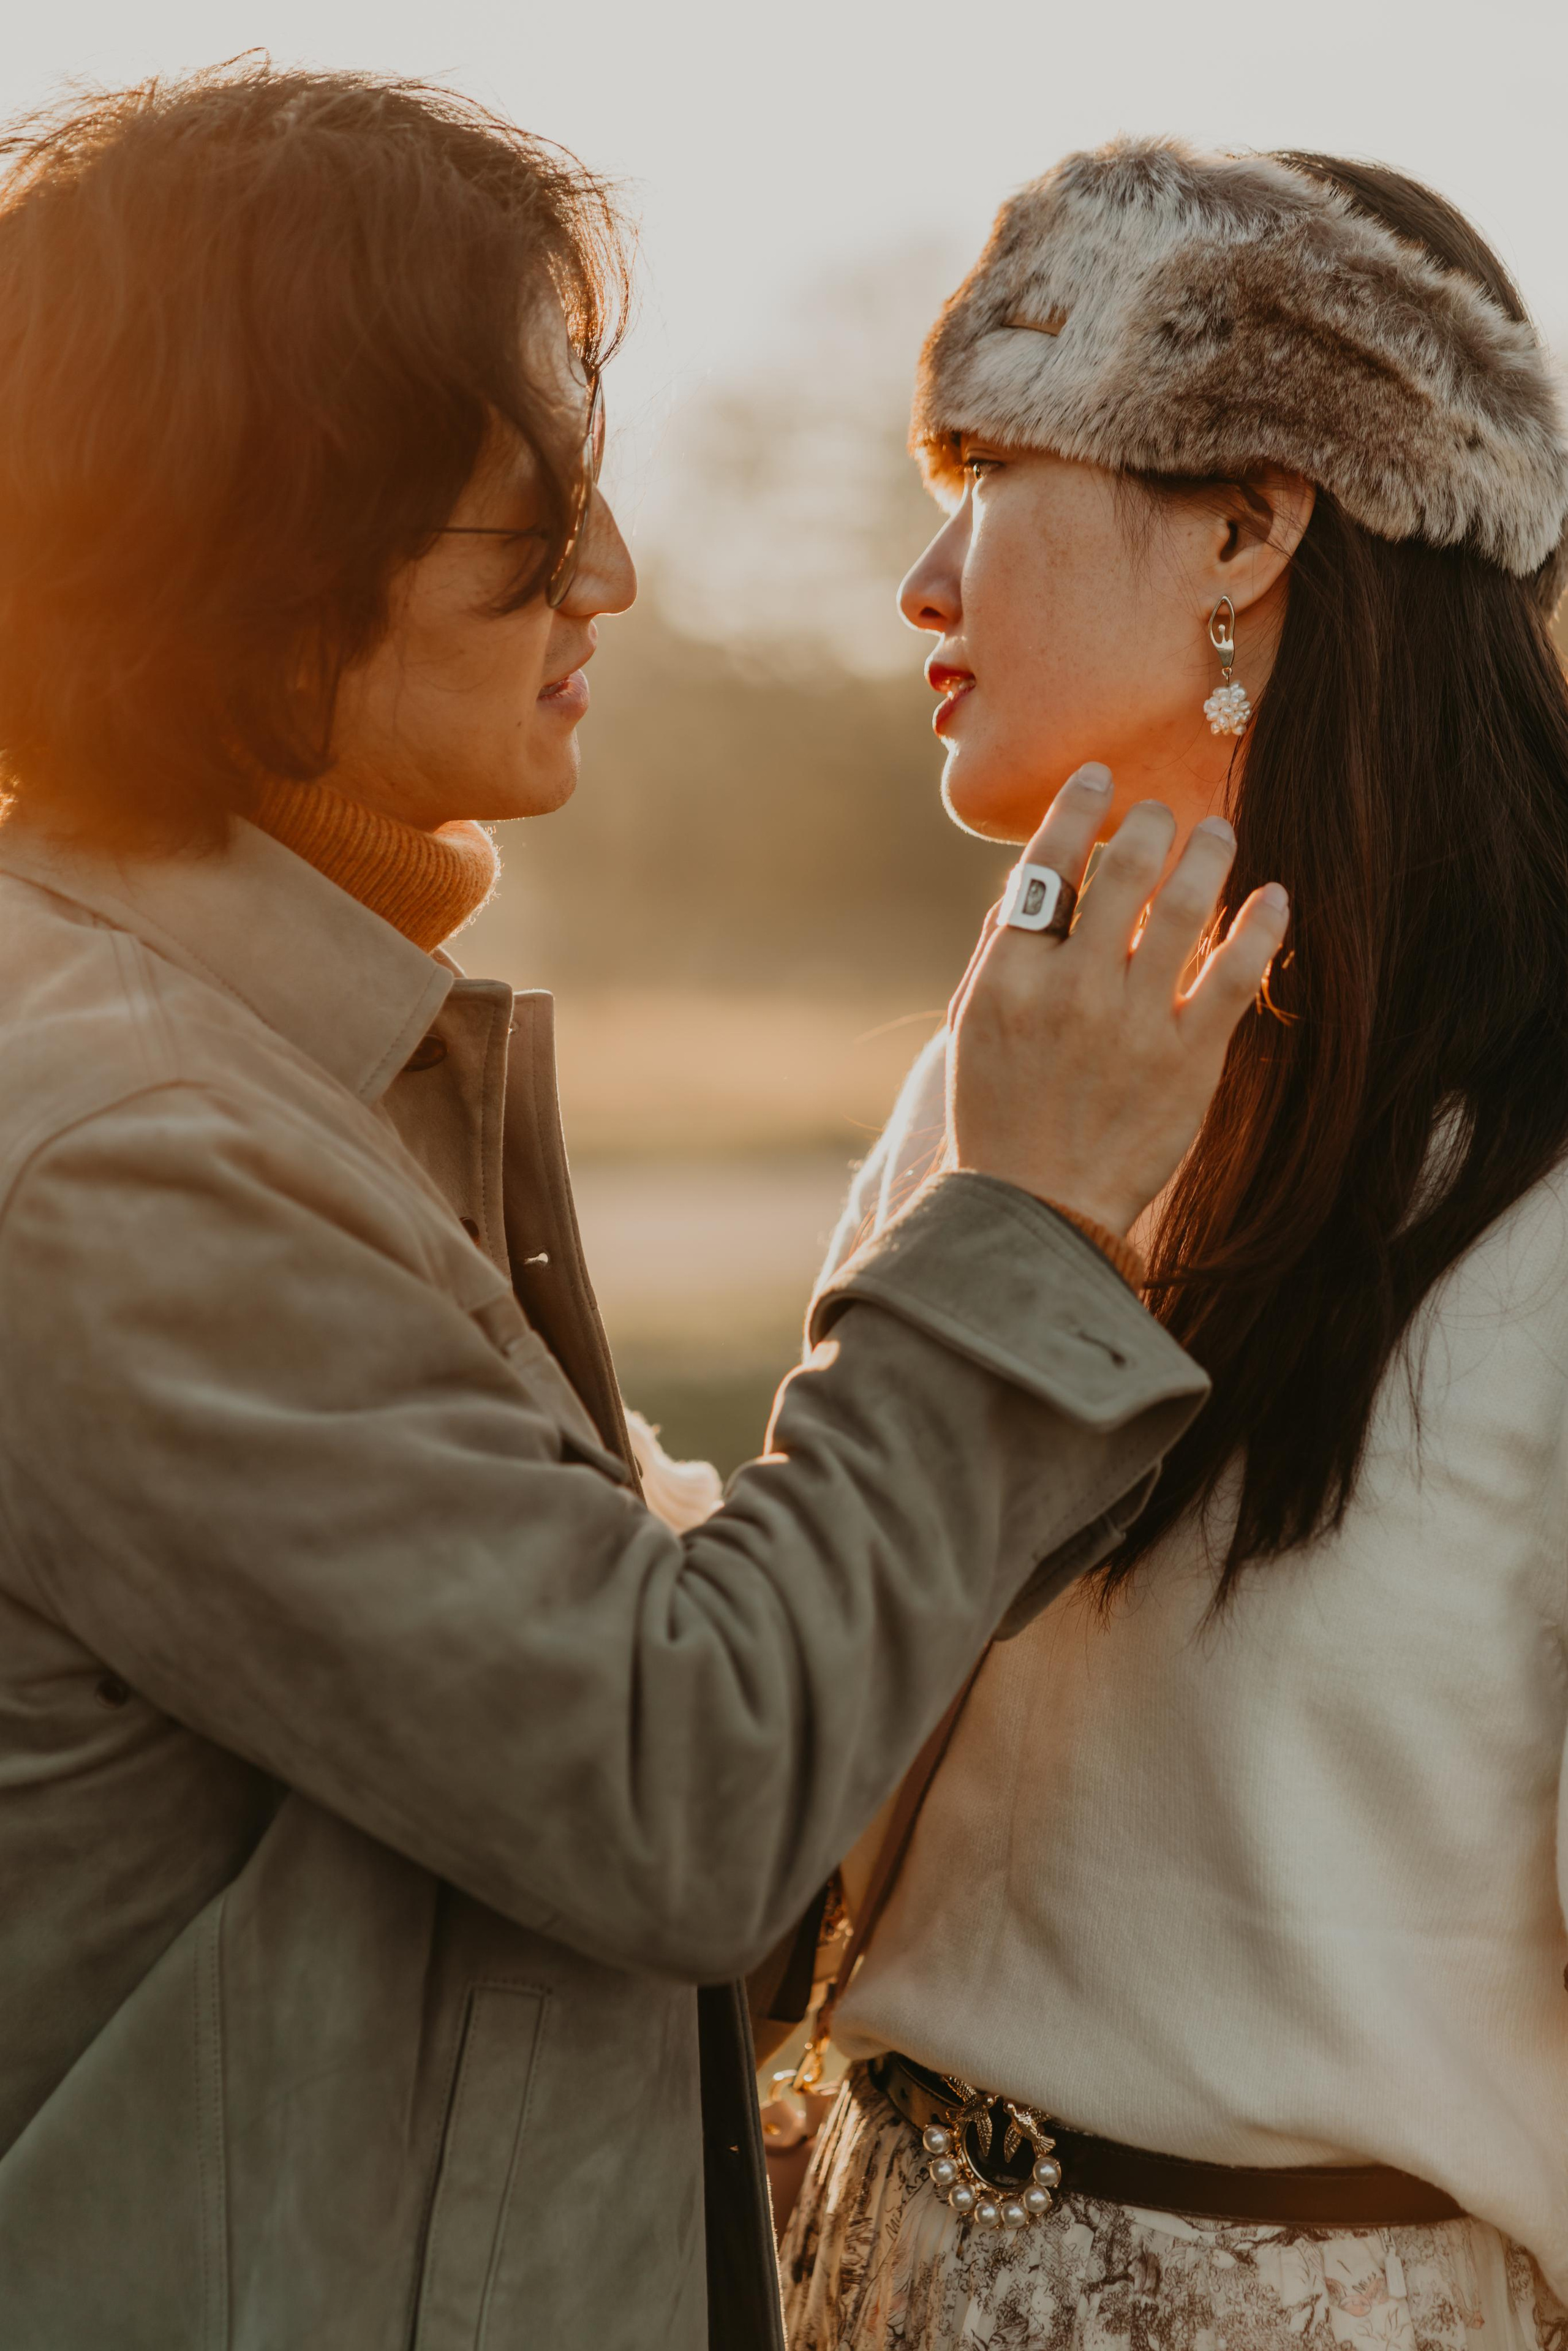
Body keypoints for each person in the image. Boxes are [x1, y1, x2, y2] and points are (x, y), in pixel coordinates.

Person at [0, 74, 1289, 2351]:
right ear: (265, 527)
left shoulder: (252, 1055)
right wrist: (1020, 1220)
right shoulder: (121, 1150)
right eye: (529, 501)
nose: (609, 568)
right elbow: (682, 1789)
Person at [782, 140, 1568, 2350]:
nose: (921, 585)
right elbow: (808, 1699)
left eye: (992, 472)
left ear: (1247, 521)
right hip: (860, 2269)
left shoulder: (1543, 1190)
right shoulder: (1014, 1073)